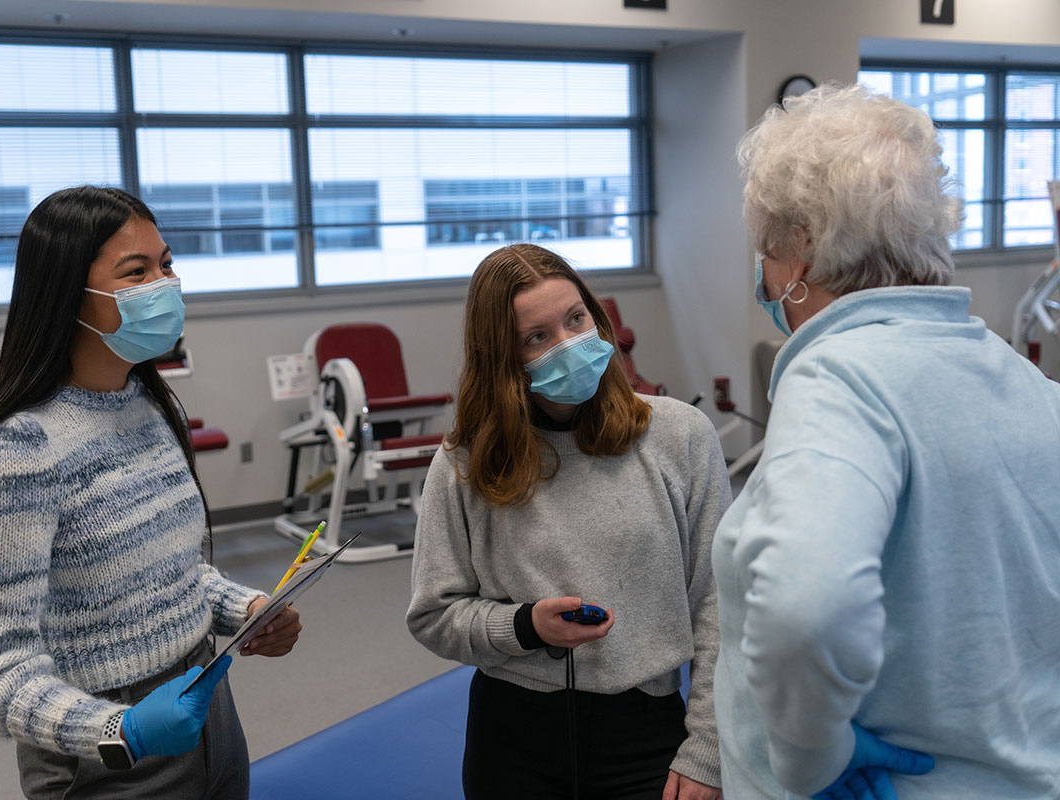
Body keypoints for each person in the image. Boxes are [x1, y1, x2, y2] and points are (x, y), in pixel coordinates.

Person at [714, 83, 1060, 800]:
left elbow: (806, 609)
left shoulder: (839, 380)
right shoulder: (1028, 386)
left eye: (765, 253)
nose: (764, 276)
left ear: (800, 252)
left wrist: (812, 755)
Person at [0, 186, 302, 799]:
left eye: (166, 264)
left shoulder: (149, 407)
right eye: (136, 272)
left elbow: (171, 570)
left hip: (206, 707)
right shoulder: (19, 450)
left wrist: (243, 609)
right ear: (66, 294)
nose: (164, 284)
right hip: (102, 754)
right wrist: (120, 729)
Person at [407, 243, 728, 799]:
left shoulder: (680, 436)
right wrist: (525, 627)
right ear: (503, 357)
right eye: (537, 336)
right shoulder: (465, 463)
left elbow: (719, 604)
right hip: (512, 738)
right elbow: (434, 615)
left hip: (648, 734)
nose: (568, 344)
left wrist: (706, 750)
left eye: (575, 319)